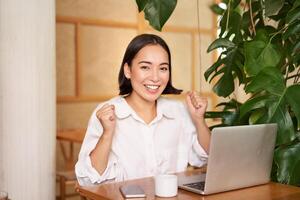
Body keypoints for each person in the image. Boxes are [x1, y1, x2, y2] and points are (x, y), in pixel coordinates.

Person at [75, 34, 211, 186]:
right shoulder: (107, 112)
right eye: (145, 67)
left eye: (163, 68)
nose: (155, 77)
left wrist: (199, 120)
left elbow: (204, 157)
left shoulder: (178, 110)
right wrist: (107, 134)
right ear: (128, 70)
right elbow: (89, 178)